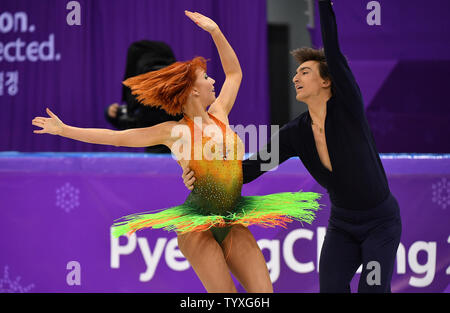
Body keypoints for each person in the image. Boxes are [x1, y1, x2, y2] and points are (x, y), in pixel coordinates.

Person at [32, 10, 321, 293]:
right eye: (206, 78)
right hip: (197, 227)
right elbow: (117, 137)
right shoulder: (173, 131)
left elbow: (235, 72)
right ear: (193, 90)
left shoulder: (220, 113)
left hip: (232, 218)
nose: (213, 82)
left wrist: (215, 31)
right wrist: (64, 130)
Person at [183, 0, 402, 293]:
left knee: (372, 289)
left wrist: (323, 4)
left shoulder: (348, 109)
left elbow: (333, 52)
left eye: (305, 72)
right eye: (296, 73)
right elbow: (250, 169)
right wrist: (203, 174)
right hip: (343, 227)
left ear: (327, 82)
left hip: (380, 225)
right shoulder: (294, 134)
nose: (295, 77)